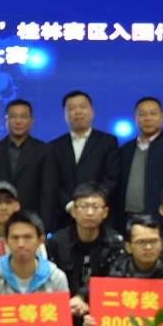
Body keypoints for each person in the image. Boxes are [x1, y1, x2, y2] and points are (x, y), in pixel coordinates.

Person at [0, 99, 57, 228]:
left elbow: (48, 193)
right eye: (13, 116)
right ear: (5, 121)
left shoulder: (44, 151)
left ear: (31, 121)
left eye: (23, 117)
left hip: (31, 222)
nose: (18, 121)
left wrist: (43, 226)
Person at [116, 97, 163, 223]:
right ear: (135, 119)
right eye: (142, 114)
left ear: (162, 117)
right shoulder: (125, 149)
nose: (148, 118)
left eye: (153, 114)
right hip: (127, 219)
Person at [49, 91, 119, 228]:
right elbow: (52, 182)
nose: (78, 112)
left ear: (92, 112)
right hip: (65, 218)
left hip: (99, 217)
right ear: (65, 115)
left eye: (82, 106)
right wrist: (70, 205)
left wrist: (91, 204)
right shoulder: (54, 146)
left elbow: (112, 177)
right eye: (71, 108)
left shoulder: (107, 142)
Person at [48, 183, 124, 301]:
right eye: (84, 206)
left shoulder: (116, 242)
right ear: (73, 211)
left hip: (103, 303)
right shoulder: (57, 242)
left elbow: (114, 279)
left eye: (96, 207)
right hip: (64, 303)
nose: (90, 213)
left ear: (105, 212)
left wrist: (82, 296)